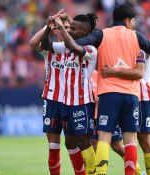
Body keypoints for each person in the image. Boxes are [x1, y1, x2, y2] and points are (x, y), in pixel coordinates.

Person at [63, 3, 150, 175]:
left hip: (108, 95)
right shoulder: (137, 37)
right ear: (127, 20)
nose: (133, 23)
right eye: (132, 20)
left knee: (103, 137)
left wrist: (64, 30)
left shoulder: (101, 34)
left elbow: (75, 44)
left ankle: (100, 173)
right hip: (131, 96)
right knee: (130, 140)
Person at [29, 10, 86, 175]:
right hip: (52, 101)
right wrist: (48, 25)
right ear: (55, 30)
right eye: (62, 27)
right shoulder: (50, 49)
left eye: (68, 28)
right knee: (53, 146)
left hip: (71, 102)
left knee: (72, 145)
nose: (65, 30)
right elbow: (33, 43)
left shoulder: (77, 48)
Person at [42, 13, 98, 175]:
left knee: (84, 142)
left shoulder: (90, 49)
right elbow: (46, 45)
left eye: (74, 28)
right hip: (66, 103)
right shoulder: (65, 47)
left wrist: (62, 27)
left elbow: (74, 47)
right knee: (69, 142)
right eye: (70, 28)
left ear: (85, 32)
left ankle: (93, 173)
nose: (71, 30)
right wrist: (48, 28)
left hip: (82, 103)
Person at [91, 70, 146, 175]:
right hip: (91, 111)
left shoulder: (104, 71)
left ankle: (138, 171)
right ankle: (97, 172)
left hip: (106, 109)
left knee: (117, 145)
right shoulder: (87, 70)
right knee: (91, 142)